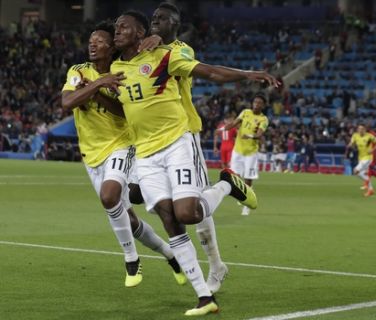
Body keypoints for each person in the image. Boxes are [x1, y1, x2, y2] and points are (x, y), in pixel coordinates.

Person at [111, 11, 279, 316]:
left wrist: (247, 74)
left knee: (189, 211)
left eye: (163, 19)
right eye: (154, 19)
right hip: (145, 147)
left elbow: (207, 71)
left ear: (175, 24)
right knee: (149, 202)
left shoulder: (178, 52)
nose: (157, 22)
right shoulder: (120, 63)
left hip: (182, 135)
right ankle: (208, 283)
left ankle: (217, 254)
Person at [61, 21, 186, 288]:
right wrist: (96, 85)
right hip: (91, 153)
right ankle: (170, 254)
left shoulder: (122, 72)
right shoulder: (78, 71)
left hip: (121, 145)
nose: (92, 44)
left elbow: (122, 111)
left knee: (110, 196)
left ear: (111, 48)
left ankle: (131, 259)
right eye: (91, 40)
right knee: (128, 219)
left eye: (100, 41)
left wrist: (97, 87)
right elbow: (67, 102)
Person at [223, 94, 269, 216]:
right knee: (235, 176)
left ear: (263, 105)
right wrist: (225, 128)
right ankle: (242, 195)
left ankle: (247, 205)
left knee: (248, 178)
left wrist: (249, 136)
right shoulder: (245, 112)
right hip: (238, 150)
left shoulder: (263, 119)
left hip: (251, 153)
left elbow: (259, 135)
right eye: (255, 102)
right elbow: (235, 122)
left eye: (259, 103)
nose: (256, 104)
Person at [345, 124, 376, 197]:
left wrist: (373, 150)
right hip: (360, 158)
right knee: (359, 174)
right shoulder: (355, 135)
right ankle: (370, 190)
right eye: (359, 129)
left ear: (365, 129)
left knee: (355, 171)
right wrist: (350, 145)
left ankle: (367, 181)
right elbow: (352, 143)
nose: (360, 130)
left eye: (362, 129)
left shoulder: (369, 136)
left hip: (368, 158)